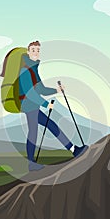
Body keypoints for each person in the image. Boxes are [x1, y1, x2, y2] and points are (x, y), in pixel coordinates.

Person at [19, 40, 87, 171]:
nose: (36, 52)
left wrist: (57, 90)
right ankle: (31, 163)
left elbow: (41, 89)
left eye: (38, 50)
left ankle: (73, 150)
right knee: (33, 132)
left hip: (34, 105)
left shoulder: (34, 69)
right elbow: (30, 93)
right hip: (29, 106)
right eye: (33, 50)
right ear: (28, 52)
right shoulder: (25, 71)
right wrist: (45, 104)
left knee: (50, 125)